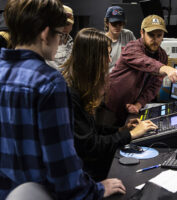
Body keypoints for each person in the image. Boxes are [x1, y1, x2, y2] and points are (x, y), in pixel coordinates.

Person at [0, 0, 125, 199]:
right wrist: (97, 189)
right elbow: (61, 165)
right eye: (60, 34)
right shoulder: (48, 82)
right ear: (45, 34)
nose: (60, 41)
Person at [61, 28, 158, 181]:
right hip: (84, 176)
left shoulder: (80, 87)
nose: (109, 60)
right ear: (92, 58)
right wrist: (130, 134)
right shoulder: (70, 95)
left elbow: (90, 129)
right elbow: (90, 146)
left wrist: (120, 129)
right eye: (106, 54)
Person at [105, 15, 177, 126]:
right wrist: (166, 69)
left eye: (159, 35)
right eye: (151, 35)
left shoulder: (162, 56)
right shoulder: (132, 47)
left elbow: (154, 86)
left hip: (129, 109)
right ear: (142, 33)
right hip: (110, 106)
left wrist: (139, 104)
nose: (155, 40)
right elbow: (144, 62)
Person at [104, 6, 136, 72]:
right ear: (107, 23)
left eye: (120, 23)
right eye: (114, 23)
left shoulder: (128, 34)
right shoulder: (101, 40)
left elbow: (137, 54)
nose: (118, 26)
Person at [47, 5, 74, 70]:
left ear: (72, 25)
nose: (64, 27)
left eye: (67, 24)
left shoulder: (73, 43)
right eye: (61, 23)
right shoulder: (47, 44)